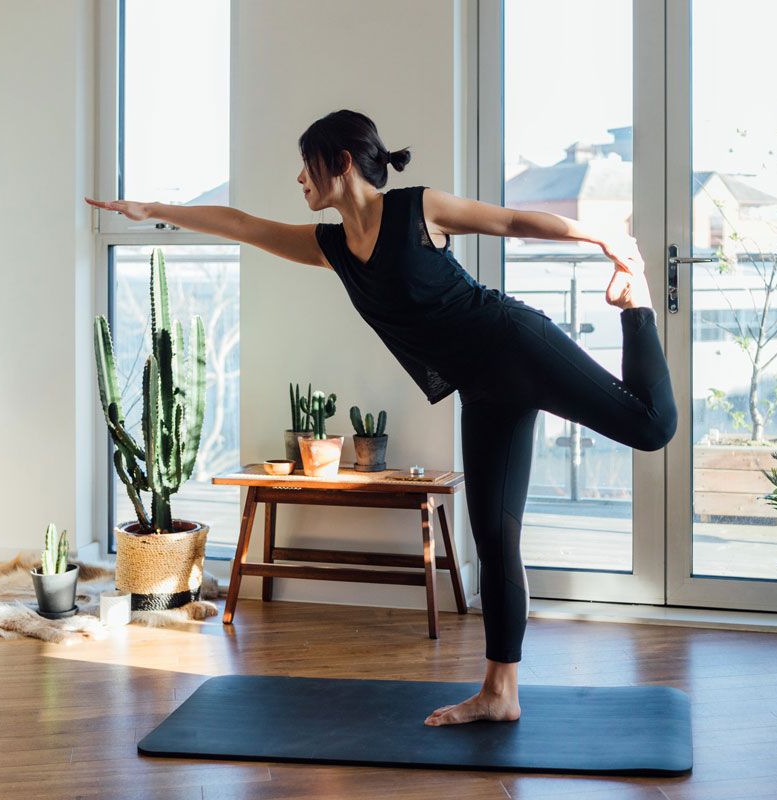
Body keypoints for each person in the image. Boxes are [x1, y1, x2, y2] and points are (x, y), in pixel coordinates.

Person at [85, 108, 677, 727]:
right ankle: (501, 693)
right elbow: (241, 224)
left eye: (306, 165)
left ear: (340, 163)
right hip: (482, 389)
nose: (299, 179)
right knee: (496, 539)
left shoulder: (418, 209)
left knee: (651, 427)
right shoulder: (332, 247)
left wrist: (597, 238)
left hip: (515, 343)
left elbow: (507, 219)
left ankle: (636, 308)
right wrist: (152, 207)